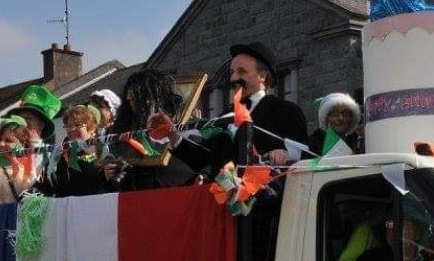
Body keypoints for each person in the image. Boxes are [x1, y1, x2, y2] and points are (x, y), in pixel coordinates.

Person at [166, 43, 309, 174]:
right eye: (232, 72)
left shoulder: (287, 111)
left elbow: (303, 157)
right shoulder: (226, 115)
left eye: (241, 72)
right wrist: (173, 136)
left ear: (262, 76)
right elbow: (204, 158)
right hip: (221, 196)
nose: (233, 78)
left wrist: (283, 152)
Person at [105, 69, 200, 191]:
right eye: (128, 94)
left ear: (157, 98)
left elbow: (203, 166)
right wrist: (110, 177)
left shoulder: (187, 131)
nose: (129, 98)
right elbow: (119, 185)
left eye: (135, 95)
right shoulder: (123, 136)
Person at [32, 105, 111, 198]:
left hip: (97, 206)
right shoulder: (58, 155)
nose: (72, 129)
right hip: (68, 209)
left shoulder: (103, 151)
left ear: (92, 128)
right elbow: (49, 188)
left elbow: (111, 186)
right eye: (69, 126)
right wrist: (31, 180)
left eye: (77, 125)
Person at [308, 93, 363, 157]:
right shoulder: (314, 144)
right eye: (334, 113)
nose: (341, 118)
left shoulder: (357, 141)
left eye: (345, 113)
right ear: (326, 117)